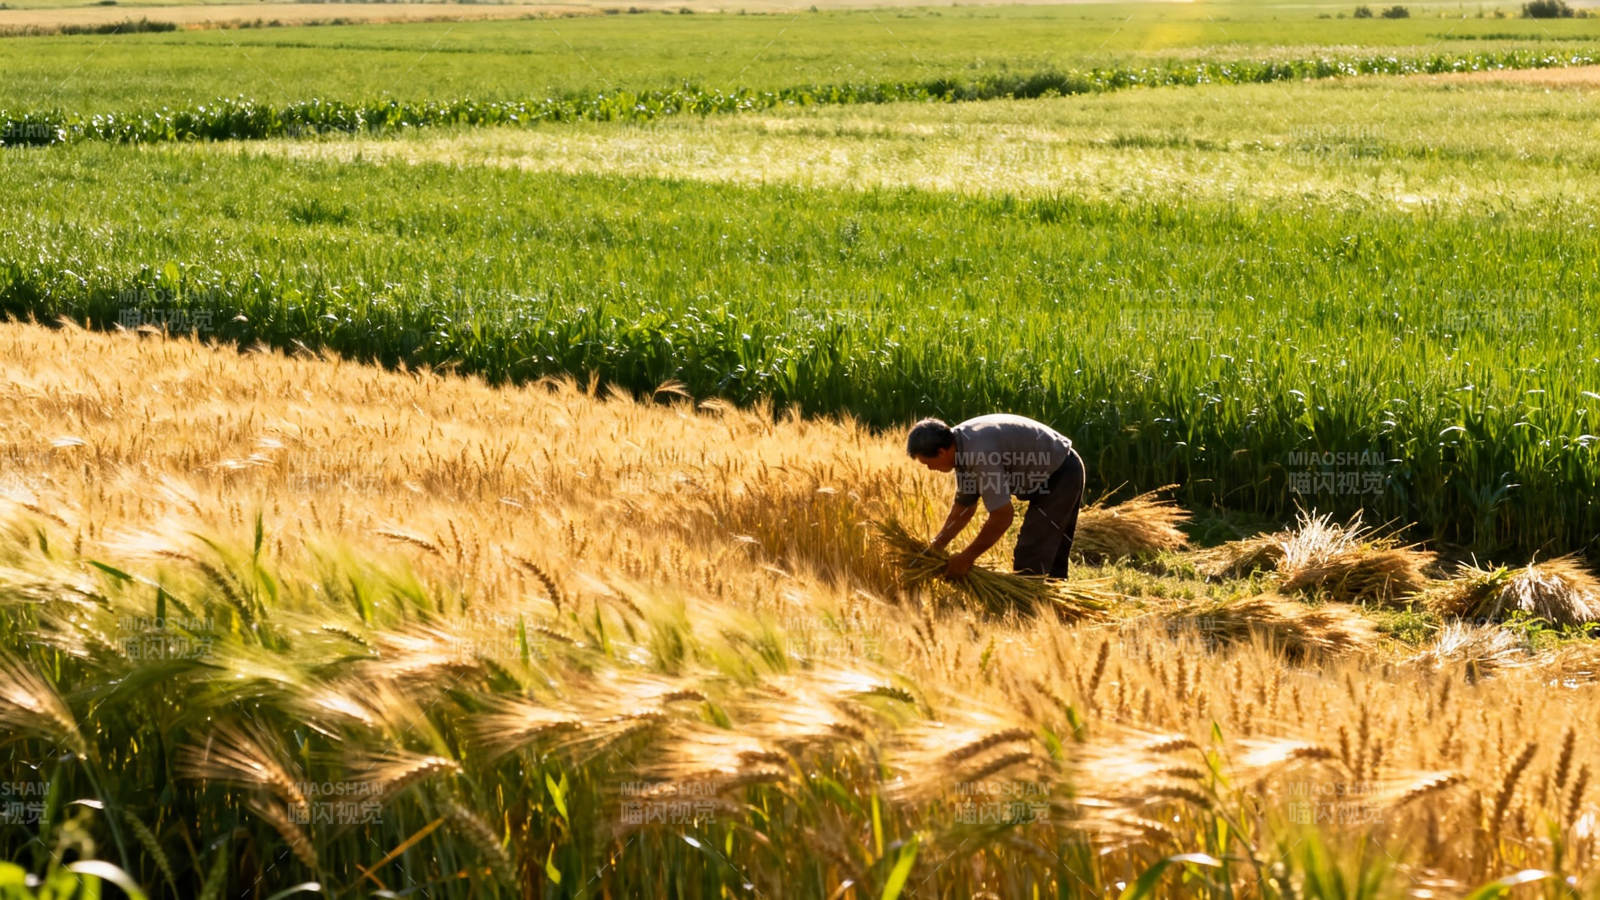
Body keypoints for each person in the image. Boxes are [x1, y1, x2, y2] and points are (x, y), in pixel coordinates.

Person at [905, 414, 1086, 580]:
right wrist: (937, 546)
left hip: (1061, 473)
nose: (930, 469)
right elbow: (964, 508)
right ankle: (1056, 611)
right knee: (1047, 557)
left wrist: (966, 558)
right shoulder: (959, 445)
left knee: (1031, 558)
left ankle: (1031, 612)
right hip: (1056, 469)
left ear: (941, 452)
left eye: (928, 463)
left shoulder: (979, 454)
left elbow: (1003, 516)